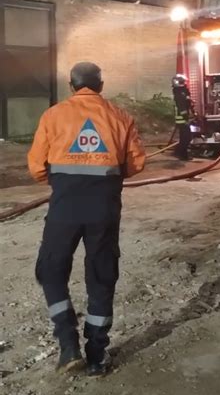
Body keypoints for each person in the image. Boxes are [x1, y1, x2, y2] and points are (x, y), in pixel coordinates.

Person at [28, 62, 146, 376]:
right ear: (101, 85)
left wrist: (66, 175)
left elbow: (37, 167)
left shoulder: (53, 115)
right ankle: (96, 355)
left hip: (65, 208)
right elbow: (135, 165)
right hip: (104, 209)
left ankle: (68, 346)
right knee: (101, 274)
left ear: (71, 85)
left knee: (50, 270)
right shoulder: (121, 117)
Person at [172, 74, 195, 160]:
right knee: (186, 138)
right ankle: (182, 154)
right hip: (182, 119)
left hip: (183, 119)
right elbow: (182, 107)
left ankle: (179, 153)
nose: (185, 83)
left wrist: (190, 101)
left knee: (184, 137)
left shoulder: (181, 92)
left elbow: (186, 102)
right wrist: (186, 119)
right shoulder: (179, 93)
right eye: (183, 82)